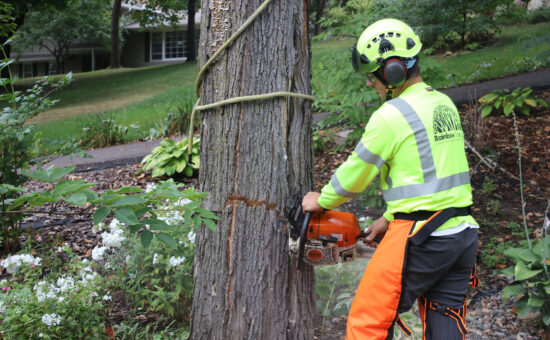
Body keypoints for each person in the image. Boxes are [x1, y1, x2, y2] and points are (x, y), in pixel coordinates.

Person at [302, 18, 479, 340]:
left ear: (392, 70)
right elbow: (435, 174)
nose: (371, 83)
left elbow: (356, 175)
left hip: (421, 237)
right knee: (445, 321)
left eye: (373, 75)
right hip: (461, 234)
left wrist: (322, 200)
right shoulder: (443, 103)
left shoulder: (391, 115)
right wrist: (388, 216)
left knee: (367, 323)